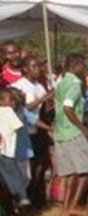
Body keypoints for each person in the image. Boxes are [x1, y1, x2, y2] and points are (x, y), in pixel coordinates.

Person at [53, 54, 88, 216]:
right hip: (73, 132)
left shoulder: (62, 82)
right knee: (85, 170)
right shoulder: (75, 84)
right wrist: (82, 128)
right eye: (84, 67)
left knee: (70, 173)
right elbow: (68, 107)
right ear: (77, 66)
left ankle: (66, 207)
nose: (85, 71)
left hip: (60, 132)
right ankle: (75, 205)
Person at [11, 56, 53, 207]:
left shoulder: (40, 86)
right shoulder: (18, 86)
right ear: (25, 69)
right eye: (33, 66)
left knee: (41, 165)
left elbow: (43, 110)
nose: (37, 70)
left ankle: (38, 198)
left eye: (38, 66)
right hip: (24, 133)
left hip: (37, 132)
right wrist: (43, 99)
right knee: (28, 169)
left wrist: (50, 100)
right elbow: (25, 110)